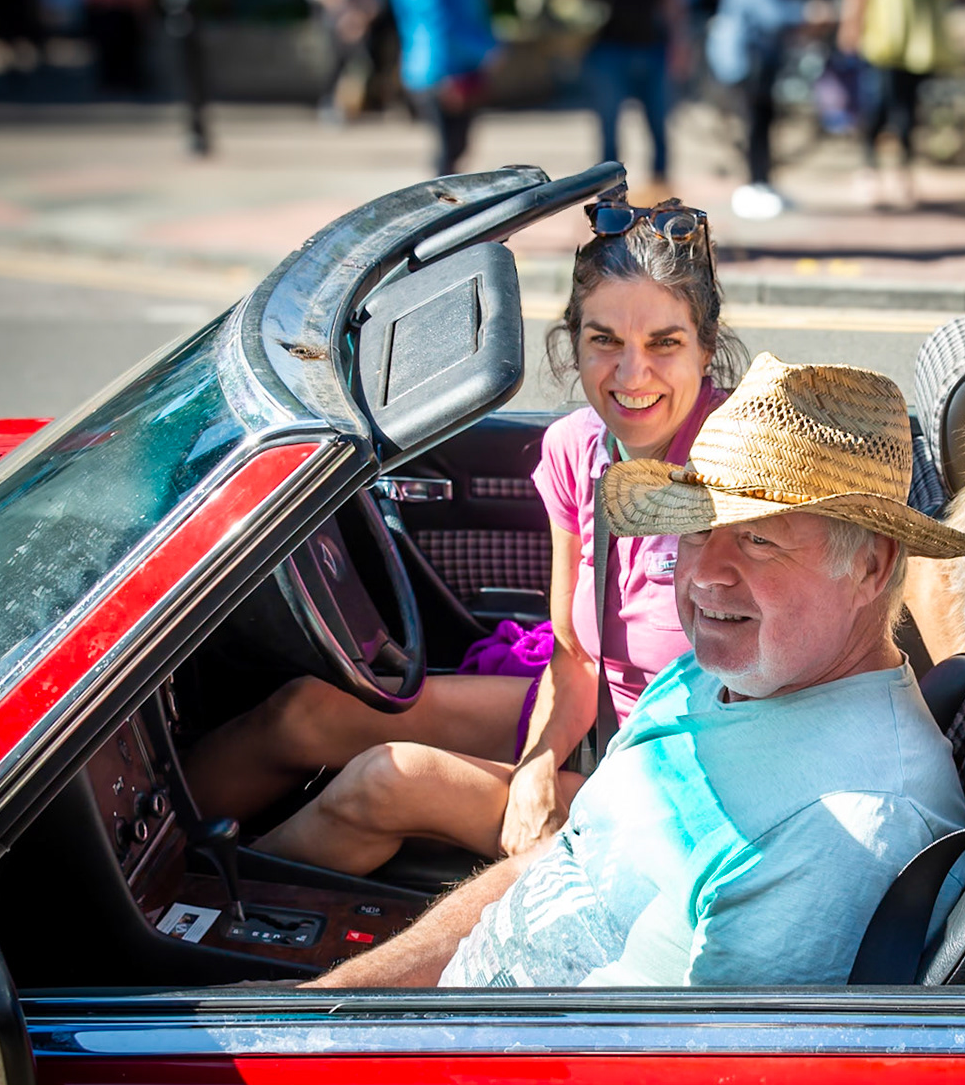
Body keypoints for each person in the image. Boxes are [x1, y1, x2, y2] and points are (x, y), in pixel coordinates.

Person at [308, 353, 965, 988]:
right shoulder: (708, 676)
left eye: (757, 538)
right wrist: (338, 997)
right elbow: (556, 864)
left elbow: (687, 1070)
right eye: (697, 529)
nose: (705, 575)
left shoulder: (845, 832)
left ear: (870, 565)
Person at [184, 190, 746, 871]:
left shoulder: (751, 470)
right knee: (303, 713)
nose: (632, 374)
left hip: (691, 781)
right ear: (573, 342)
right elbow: (574, 658)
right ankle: (133, 869)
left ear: (707, 348)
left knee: (385, 780)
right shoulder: (576, 449)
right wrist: (538, 765)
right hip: (601, 716)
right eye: (605, 340)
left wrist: (564, 786)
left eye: (665, 343)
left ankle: (211, 912)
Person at [539, 0, 688, 188]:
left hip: (652, 46)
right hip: (605, 49)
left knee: (660, 129)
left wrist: (679, 41)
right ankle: (609, 198)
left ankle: (661, 197)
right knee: (609, 133)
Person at [838, 0, 965, 209]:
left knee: (908, 112)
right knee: (879, 107)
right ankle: (869, 170)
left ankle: (903, 172)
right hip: (884, 43)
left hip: (920, 47)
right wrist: (850, 26)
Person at [706, 0, 830, 221]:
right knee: (754, 124)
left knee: (763, 121)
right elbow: (770, 13)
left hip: (757, 59)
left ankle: (763, 183)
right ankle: (753, 186)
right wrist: (808, 11)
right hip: (744, 59)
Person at [390, 0, 497, 175]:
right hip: (442, 70)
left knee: (454, 150)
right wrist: (486, 49)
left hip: (432, 66)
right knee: (449, 152)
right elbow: (440, 22)